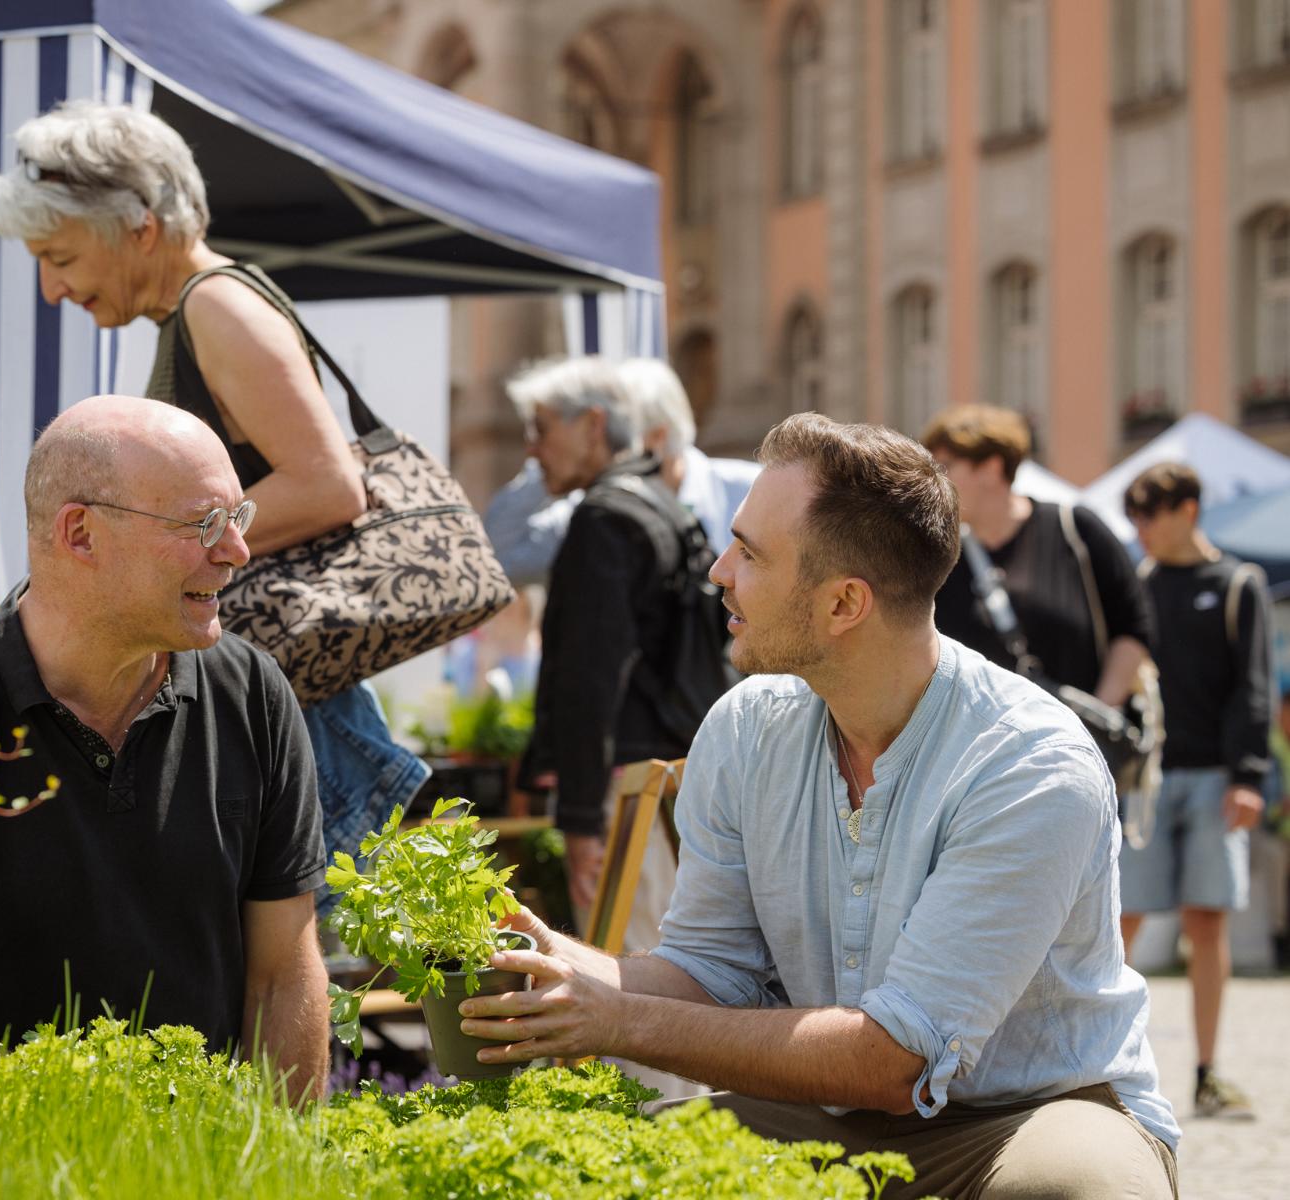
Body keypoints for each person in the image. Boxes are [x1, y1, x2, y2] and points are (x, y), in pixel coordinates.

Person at [457, 414, 1179, 1198]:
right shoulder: (745, 727)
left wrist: (616, 1018)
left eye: (750, 554)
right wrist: (562, 963)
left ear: (842, 605)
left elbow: (894, 1061)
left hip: (1029, 1118)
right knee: (586, 1168)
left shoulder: (1030, 764)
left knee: (1074, 1191)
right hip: (824, 1115)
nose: (718, 571)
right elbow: (710, 972)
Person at [0, 397, 330, 1101]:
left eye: (236, 518)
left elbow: (284, 977)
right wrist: (99, 1118)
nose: (236, 550)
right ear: (81, 534)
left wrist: (285, 1163)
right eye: (201, 523)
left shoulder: (250, 693)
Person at [0, 100, 426, 886]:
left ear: (138, 225)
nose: (52, 289)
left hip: (299, 699)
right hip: (288, 687)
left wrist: (165, 534)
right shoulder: (197, 311)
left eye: (60, 256)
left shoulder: (216, 305)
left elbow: (329, 486)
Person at [509, 357, 728, 921]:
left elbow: (589, 676)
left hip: (624, 796)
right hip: (670, 780)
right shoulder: (658, 501)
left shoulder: (605, 517)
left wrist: (581, 821)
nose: (532, 449)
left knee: (629, 981)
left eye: (542, 428)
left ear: (592, 425)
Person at [1119, 462, 1270, 1119]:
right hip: (1146, 778)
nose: (1140, 529)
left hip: (1214, 777)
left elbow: (1253, 688)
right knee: (1116, 922)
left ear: (1187, 509)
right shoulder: (1137, 584)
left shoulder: (1237, 584)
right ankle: (1102, 1065)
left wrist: (1247, 777)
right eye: (1134, 517)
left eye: (1149, 514)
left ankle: (1206, 1072)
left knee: (1205, 923)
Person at [923, 405, 1154, 713]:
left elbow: (1134, 627)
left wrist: (1098, 715)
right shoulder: (938, 552)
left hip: (1077, 745)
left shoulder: (1075, 529)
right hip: (980, 752)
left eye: (946, 466)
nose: (935, 482)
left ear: (992, 468)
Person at [481, 358, 757, 589]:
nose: (607, 450)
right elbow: (499, 559)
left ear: (658, 437)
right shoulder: (590, 512)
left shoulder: (753, 491)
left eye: (621, 437)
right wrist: (549, 467)